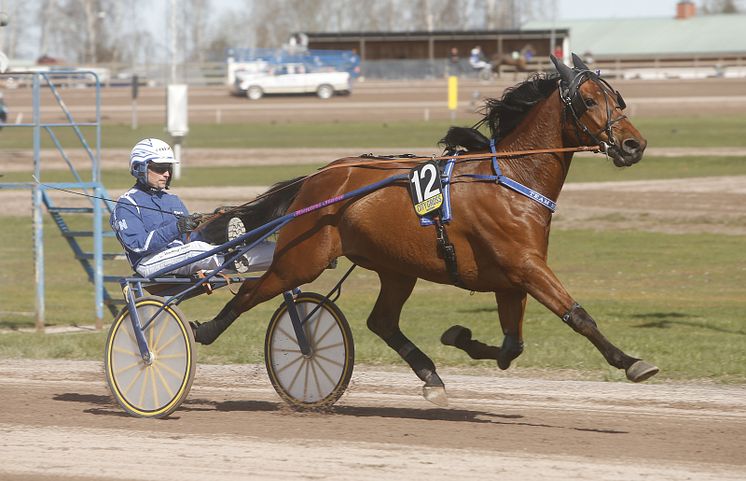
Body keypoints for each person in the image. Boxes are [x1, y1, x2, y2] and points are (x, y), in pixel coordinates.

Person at [110, 138, 274, 278]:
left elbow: (190, 240)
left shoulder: (173, 200)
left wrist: (214, 226)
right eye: (160, 168)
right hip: (149, 262)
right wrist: (177, 227)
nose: (166, 174)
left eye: (169, 168)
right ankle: (231, 258)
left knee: (266, 249)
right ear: (140, 168)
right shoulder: (126, 204)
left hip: (184, 256)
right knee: (196, 250)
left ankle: (280, 256)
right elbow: (139, 245)